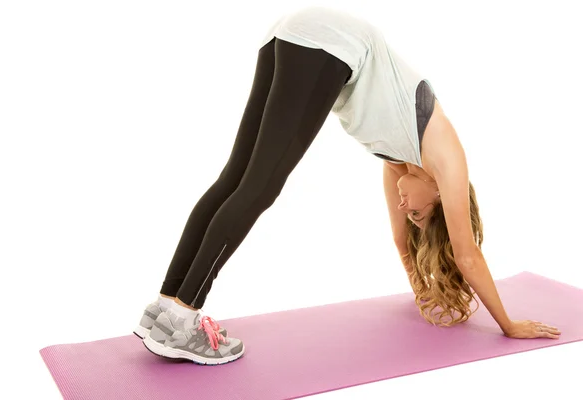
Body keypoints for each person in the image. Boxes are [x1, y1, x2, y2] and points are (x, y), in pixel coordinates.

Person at [133, 6, 561, 365]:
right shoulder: (448, 159)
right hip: (329, 45)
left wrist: (420, 292)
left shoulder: (400, 161)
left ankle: (165, 305)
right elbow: (466, 253)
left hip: (293, 35)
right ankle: (185, 315)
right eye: (418, 212)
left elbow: (399, 240)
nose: (404, 206)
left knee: (237, 177)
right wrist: (508, 324)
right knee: (261, 186)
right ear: (443, 197)